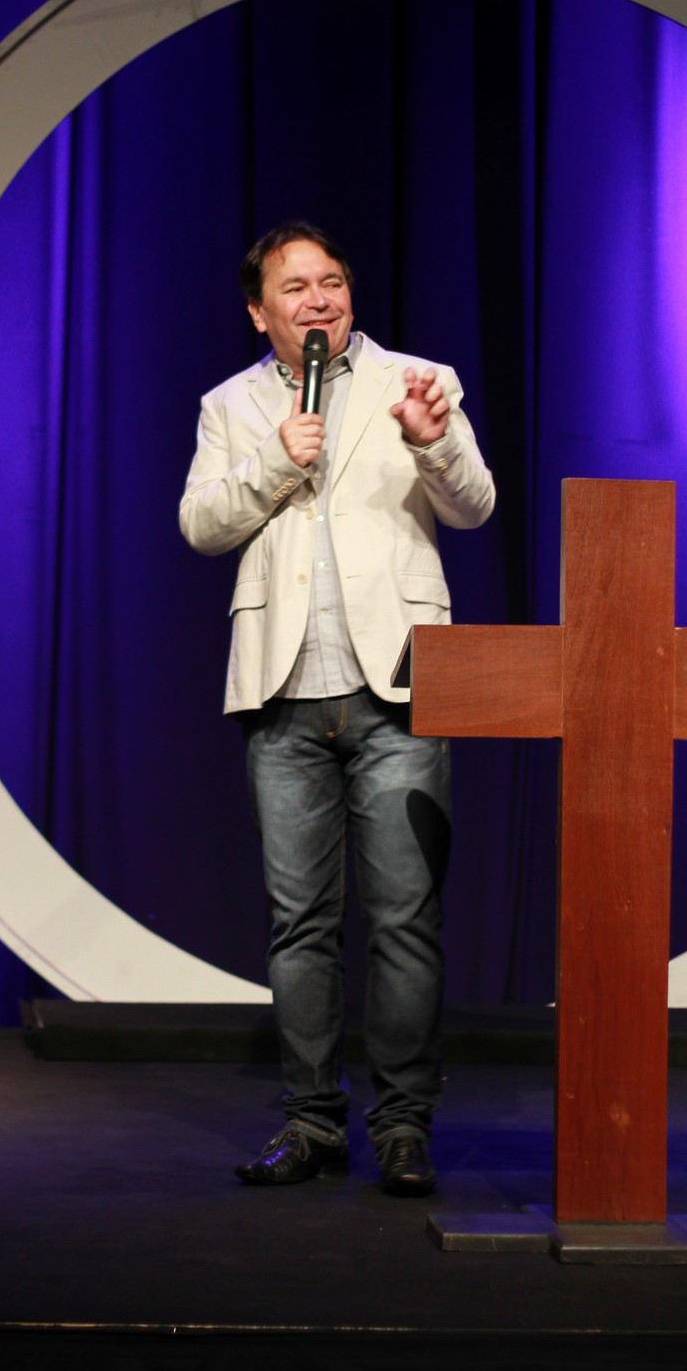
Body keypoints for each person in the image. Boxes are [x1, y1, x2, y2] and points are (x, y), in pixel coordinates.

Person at [179, 222, 495, 1194]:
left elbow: (474, 505)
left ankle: (403, 1126)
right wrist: (277, 459)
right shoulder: (231, 405)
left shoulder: (417, 377)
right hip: (282, 695)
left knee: (404, 919)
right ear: (259, 311)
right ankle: (312, 1123)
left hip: (398, 686)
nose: (318, 299)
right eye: (295, 287)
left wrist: (436, 444)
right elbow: (200, 526)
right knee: (300, 923)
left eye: (332, 282)